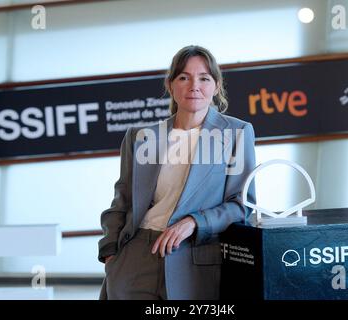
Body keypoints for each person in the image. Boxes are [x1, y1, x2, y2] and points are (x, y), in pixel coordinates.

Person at [98, 45, 256, 300]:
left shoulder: (235, 134)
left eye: (204, 78)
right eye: (184, 77)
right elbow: (122, 200)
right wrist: (110, 252)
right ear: (171, 85)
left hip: (194, 259)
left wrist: (194, 222)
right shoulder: (141, 137)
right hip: (135, 258)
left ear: (216, 86)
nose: (194, 86)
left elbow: (240, 206)